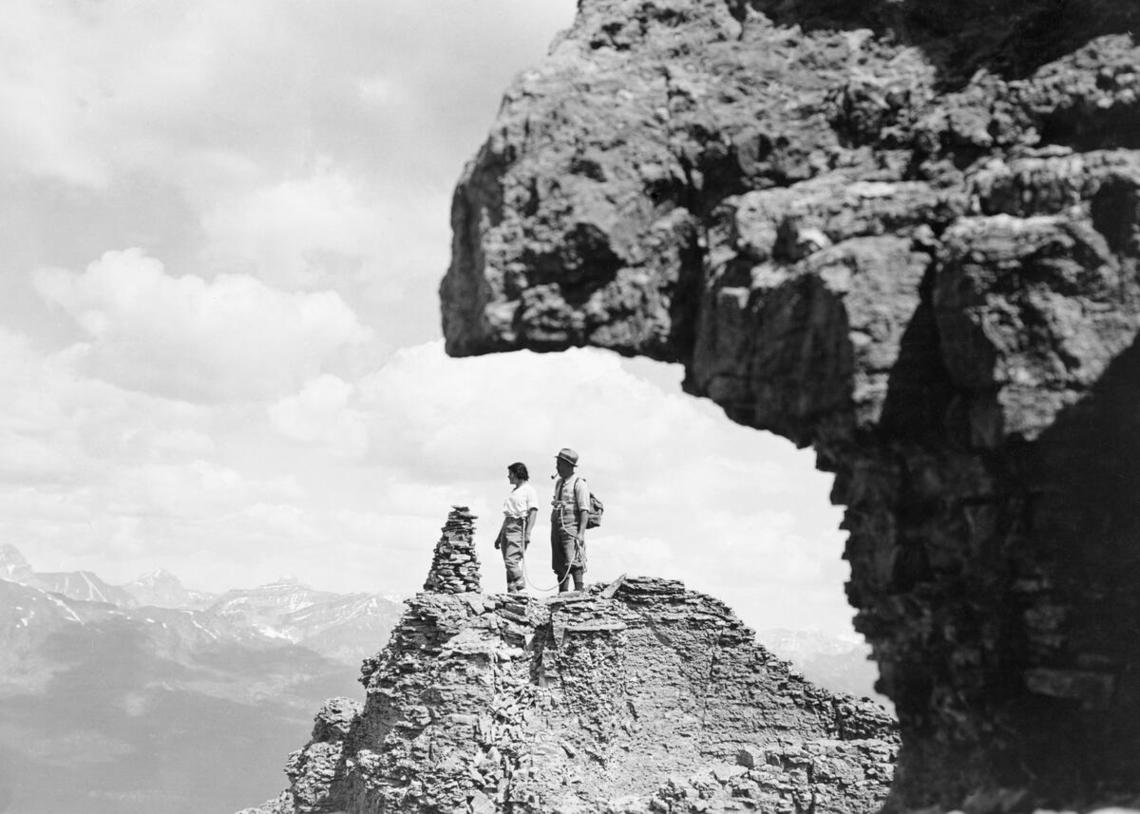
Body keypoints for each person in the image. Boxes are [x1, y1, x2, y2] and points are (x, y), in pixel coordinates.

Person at [550, 447, 590, 593]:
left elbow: (584, 510)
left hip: (571, 527)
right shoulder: (559, 483)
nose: (557, 467)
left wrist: (581, 533)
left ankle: (579, 591)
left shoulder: (579, 484)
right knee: (559, 561)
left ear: (568, 465)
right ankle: (563, 592)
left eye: (560, 464)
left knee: (573, 559)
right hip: (557, 526)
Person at [494, 462, 538, 593]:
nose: (508, 476)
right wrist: (499, 537)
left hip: (518, 526)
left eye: (510, 474)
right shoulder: (514, 491)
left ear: (517, 474)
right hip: (508, 526)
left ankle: (521, 587)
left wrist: (528, 532)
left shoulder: (529, 490)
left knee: (511, 560)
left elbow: (533, 511)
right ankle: (512, 591)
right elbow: (508, 515)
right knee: (508, 562)